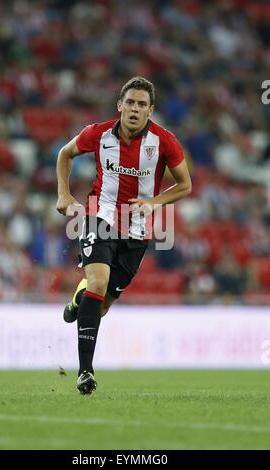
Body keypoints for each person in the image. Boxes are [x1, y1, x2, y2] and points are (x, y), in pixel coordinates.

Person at [56, 76, 192, 394]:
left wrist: (154, 202)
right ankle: (85, 372)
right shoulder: (98, 134)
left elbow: (185, 185)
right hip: (99, 218)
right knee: (99, 282)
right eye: (129, 102)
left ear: (150, 110)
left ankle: (80, 297)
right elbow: (65, 154)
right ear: (120, 105)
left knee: (100, 304)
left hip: (136, 231)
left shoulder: (165, 141)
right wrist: (63, 194)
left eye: (141, 104)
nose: (134, 109)